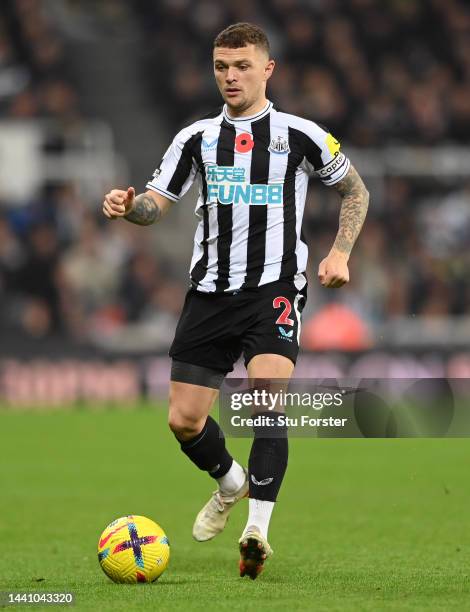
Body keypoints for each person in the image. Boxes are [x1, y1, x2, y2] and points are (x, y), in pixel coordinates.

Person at [102, 22, 369, 580]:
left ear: (267, 69)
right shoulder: (194, 138)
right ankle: (230, 482)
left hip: (274, 289)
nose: (230, 76)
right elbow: (157, 203)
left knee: (266, 401)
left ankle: (257, 530)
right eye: (222, 66)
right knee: (183, 421)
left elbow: (355, 190)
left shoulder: (300, 134)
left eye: (242, 66)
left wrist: (341, 252)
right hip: (209, 294)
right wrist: (130, 206)